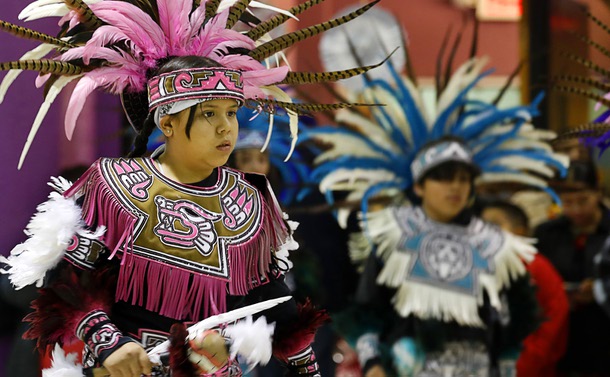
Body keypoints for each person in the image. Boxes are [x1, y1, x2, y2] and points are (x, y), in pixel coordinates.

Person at [0, 0, 382, 375]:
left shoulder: (250, 199)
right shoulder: (114, 187)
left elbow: (271, 301)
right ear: (166, 123)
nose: (225, 128)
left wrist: (302, 366)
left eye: (231, 113)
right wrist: (111, 345)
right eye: (209, 115)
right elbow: (67, 285)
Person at [304, 24, 568, 375]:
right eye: (443, 178)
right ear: (420, 186)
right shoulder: (395, 238)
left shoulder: (496, 246)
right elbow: (366, 313)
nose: (454, 187)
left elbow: (518, 322)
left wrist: (506, 365)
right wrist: (373, 363)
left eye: (462, 179)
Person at [534, 160, 610, 376]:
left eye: (583, 200)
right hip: (560, 335)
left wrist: (599, 290)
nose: (576, 209)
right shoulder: (546, 233)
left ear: (598, 193)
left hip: (603, 336)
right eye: (567, 202)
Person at [481, 200, 569, 377]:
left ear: (520, 231)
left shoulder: (536, 266)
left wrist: (526, 365)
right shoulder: (479, 266)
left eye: (495, 225)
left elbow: (553, 320)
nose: (485, 233)